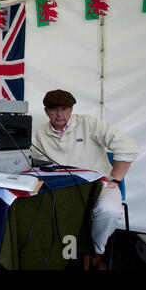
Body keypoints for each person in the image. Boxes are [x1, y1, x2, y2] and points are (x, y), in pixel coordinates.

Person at [32, 89, 138, 270]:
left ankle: (95, 252)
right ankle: (61, 253)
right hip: (63, 187)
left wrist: (116, 179)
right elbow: (32, 162)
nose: (60, 114)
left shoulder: (89, 123)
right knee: (39, 207)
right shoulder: (39, 134)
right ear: (46, 111)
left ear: (72, 109)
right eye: (54, 109)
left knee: (109, 210)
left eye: (64, 109)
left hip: (99, 184)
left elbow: (128, 146)